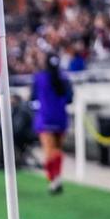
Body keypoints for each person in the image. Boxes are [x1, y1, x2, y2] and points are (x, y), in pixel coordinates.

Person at [31, 54, 73, 194]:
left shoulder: (39, 78)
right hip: (60, 118)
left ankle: (52, 180)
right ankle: (58, 178)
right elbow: (70, 98)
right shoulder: (65, 78)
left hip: (45, 118)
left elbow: (33, 97)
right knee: (57, 150)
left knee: (48, 151)